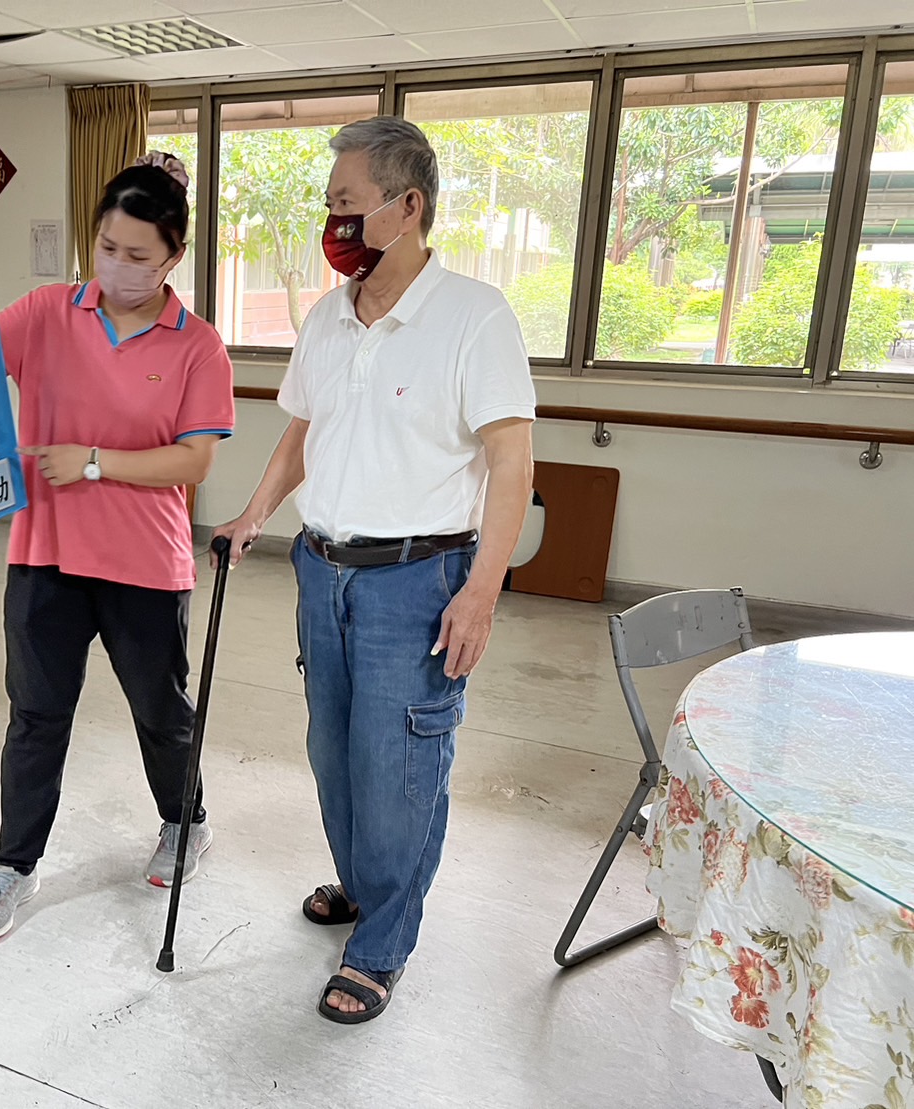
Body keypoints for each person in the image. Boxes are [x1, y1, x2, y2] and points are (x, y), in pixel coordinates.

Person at [215, 116, 535, 1023]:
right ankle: (362, 885)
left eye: (348, 206)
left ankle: (383, 941)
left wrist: (482, 592)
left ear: (408, 207)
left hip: (418, 581)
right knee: (334, 751)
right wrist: (254, 515)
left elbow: (511, 465)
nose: (335, 223)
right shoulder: (327, 315)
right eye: (330, 206)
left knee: (399, 764)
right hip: (324, 573)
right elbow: (304, 430)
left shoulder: (474, 316)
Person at [0, 152, 235, 941]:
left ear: (173, 256)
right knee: (35, 716)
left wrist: (95, 463)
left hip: (144, 563)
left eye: (139, 255)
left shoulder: (196, 346)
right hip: (45, 557)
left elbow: (195, 458)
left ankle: (186, 821)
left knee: (159, 713)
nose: (118, 266)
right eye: (107, 246)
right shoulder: (46, 314)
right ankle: (13, 864)